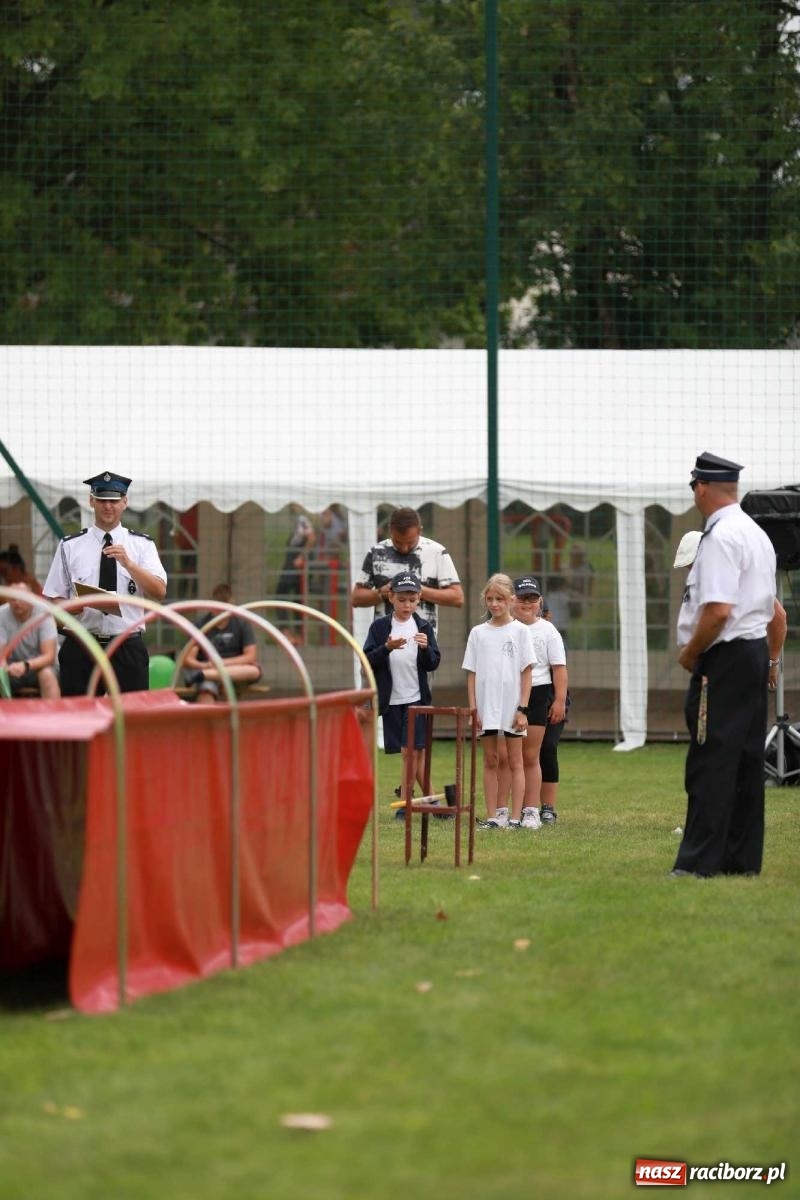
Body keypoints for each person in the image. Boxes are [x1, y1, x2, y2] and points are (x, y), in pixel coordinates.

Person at [672, 451, 786, 879]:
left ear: (701, 488)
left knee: (710, 756)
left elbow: (718, 610)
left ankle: (699, 862)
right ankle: (741, 860)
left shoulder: (719, 537)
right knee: (745, 758)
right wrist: (771, 660)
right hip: (753, 653)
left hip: (724, 655)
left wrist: (690, 652)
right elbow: (778, 614)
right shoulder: (756, 534)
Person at [43, 470, 167, 695]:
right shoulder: (70, 545)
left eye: (113, 500)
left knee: (132, 716)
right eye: (101, 500)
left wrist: (129, 564)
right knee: (79, 716)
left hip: (126, 643)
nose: (107, 506)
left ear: (125, 502)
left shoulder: (141, 545)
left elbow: (159, 591)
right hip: (82, 643)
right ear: (91, 501)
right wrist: (70, 607)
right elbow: (53, 598)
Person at [462, 573, 534, 830]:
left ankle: (515, 817)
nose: (494, 604)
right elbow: (472, 673)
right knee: (490, 760)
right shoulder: (477, 633)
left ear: (511, 600)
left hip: (512, 708)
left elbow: (527, 673)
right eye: (490, 599)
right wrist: (473, 708)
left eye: (500, 599)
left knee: (515, 761)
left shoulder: (521, 632)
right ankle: (493, 817)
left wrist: (522, 708)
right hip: (485, 708)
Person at [363, 572, 441, 805]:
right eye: (401, 600)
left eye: (412, 600)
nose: (407, 605)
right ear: (390, 598)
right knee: (414, 753)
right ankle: (432, 801)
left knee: (411, 752)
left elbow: (433, 663)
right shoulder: (379, 628)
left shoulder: (424, 626)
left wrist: (427, 649)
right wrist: (386, 648)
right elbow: (367, 660)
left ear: (419, 599)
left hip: (416, 699)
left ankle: (406, 804)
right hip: (391, 700)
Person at [497, 576, 568, 827]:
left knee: (531, 755)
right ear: (511, 600)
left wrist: (559, 700)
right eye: (521, 598)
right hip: (507, 693)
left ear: (540, 601)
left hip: (538, 693)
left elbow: (559, 668)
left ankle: (531, 810)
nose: (527, 603)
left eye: (532, 598)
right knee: (504, 756)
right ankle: (503, 811)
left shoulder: (548, 631)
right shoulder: (502, 626)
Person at [351, 506, 464, 634]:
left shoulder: (436, 552)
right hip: (384, 643)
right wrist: (382, 593)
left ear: (420, 531)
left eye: (410, 543)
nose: (404, 548)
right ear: (391, 530)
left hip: (422, 641)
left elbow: (457, 598)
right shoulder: (377, 552)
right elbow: (356, 598)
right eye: (398, 542)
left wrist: (416, 589)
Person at [182, 583, 262, 703]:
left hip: (232, 671)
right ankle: (207, 678)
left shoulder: (241, 624)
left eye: (224, 609)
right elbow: (187, 659)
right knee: (207, 692)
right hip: (210, 668)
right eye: (217, 609)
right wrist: (206, 665)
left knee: (255, 671)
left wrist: (221, 663)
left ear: (231, 606)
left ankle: (205, 675)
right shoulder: (201, 625)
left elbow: (251, 656)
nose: (221, 613)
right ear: (211, 606)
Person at [0, 581, 61, 697]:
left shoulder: (44, 613)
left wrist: (25, 665)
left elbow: (49, 656)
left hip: (41, 667)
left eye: (21, 599)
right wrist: (3, 668)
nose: (17, 603)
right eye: (13, 599)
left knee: (46, 674)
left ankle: (53, 714)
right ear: (8, 600)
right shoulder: (1, 614)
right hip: (12, 668)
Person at [275, 503, 316, 642]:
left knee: (281, 594)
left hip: (294, 562)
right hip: (292, 560)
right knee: (296, 597)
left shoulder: (302, 519)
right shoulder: (297, 520)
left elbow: (311, 537)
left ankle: (289, 632)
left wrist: (301, 556)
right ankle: (295, 633)